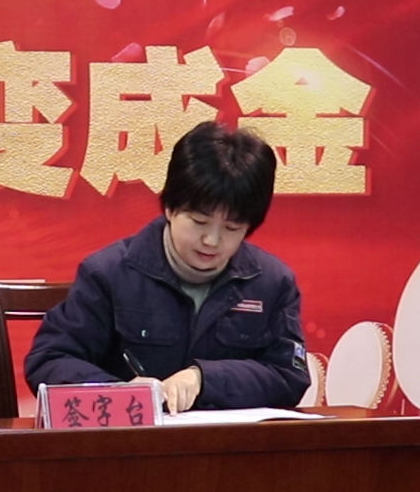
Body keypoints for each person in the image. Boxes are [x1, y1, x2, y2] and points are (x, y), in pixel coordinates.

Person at [25, 122, 309, 413]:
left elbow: (289, 377)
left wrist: (205, 379)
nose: (211, 240)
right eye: (199, 222)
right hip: (132, 436)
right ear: (170, 208)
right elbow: (50, 360)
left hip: (225, 439)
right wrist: (121, 393)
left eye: (232, 228)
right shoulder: (108, 273)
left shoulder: (272, 283)